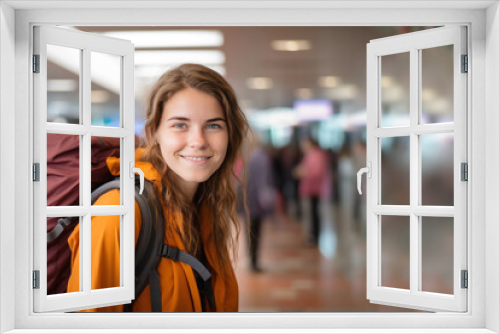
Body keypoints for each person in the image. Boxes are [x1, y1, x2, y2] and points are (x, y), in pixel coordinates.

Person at [67, 64, 249, 312]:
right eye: (180, 125)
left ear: (230, 135)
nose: (198, 141)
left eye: (213, 125)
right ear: (154, 133)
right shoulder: (117, 213)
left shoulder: (205, 206)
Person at [293, 136, 330, 246]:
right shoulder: (311, 155)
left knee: (313, 214)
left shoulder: (316, 155)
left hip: (313, 189)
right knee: (311, 213)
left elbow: (316, 172)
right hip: (310, 188)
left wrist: (303, 172)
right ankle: (312, 235)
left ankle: (314, 236)